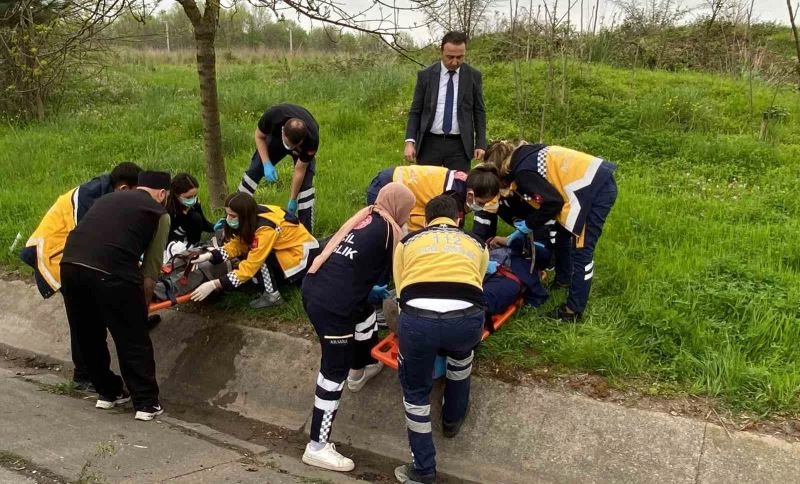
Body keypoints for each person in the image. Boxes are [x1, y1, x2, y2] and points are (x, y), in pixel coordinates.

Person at [300, 182, 415, 472]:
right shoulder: (390, 231)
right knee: (331, 371)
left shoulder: (366, 218)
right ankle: (317, 445)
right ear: (399, 209)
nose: (407, 218)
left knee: (364, 313)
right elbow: (402, 272)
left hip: (315, 287)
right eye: (408, 212)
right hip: (334, 304)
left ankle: (360, 368)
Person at [59, 170, 171, 422]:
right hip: (113, 272)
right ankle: (146, 403)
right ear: (162, 194)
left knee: (88, 333)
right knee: (132, 337)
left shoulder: (106, 199)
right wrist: (142, 306)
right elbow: (151, 270)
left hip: (70, 267)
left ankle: (107, 392)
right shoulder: (159, 213)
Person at [19, 161, 142, 390]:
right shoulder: (87, 198)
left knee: (89, 313)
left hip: (73, 254)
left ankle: (87, 372)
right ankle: (84, 375)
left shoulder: (108, 194)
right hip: (56, 255)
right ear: (124, 189)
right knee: (85, 316)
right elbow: (89, 236)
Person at [392, 195, 489, 484]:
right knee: (461, 357)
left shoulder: (407, 243)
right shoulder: (477, 243)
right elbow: (477, 284)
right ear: (459, 218)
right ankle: (452, 420)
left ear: (425, 219)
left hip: (419, 320)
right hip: (466, 320)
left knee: (415, 392)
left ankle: (423, 469)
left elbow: (400, 293)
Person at [484, 141, 618, 321]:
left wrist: (529, 224)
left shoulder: (523, 173)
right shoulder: (524, 156)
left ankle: (573, 311)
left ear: (500, 170)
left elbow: (553, 203)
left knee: (582, 250)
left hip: (593, 191)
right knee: (563, 236)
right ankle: (563, 279)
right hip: (589, 184)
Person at [189, 192, 320, 309]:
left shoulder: (265, 229)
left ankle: (273, 296)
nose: (228, 219)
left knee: (260, 260)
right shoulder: (252, 214)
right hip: (288, 248)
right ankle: (270, 284)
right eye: (227, 214)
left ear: (243, 215)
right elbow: (237, 245)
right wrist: (209, 256)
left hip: (300, 256)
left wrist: (215, 284)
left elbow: (251, 266)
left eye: (232, 215)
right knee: (251, 255)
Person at [404, 31, 487, 173]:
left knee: (457, 190)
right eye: (450, 57)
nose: (455, 62)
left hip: (460, 145)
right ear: (441, 51)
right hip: (429, 143)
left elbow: (479, 111)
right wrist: (410, 142)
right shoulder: (426, 75)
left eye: (460, 57)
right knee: (426, 190)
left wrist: (480, 143)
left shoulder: (473, 76)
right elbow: (416, 110)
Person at [237, 103, 319, 233]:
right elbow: (259, 136)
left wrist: (292, 199)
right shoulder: (273, 116)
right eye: (288, 144)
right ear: (282, 131)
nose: (290, 149)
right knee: (254, 171)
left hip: (300, 145)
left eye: (294, 146)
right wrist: (266, 163)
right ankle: (235, 216)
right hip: (276, 140)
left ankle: (306, 233)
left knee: (305, 189)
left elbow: (300, 169)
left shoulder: (312, 139)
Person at [365, 164, 500, 235]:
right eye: (481, 203)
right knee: (387, 236)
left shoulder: (466, 183)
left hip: (393, 181)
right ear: (470, 195)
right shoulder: (452, 197)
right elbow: (434, 228)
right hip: (385, 188)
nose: (482, 207)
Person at [165, 173, 214, 248]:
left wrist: (217, 227)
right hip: (171, 241)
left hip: (190, 240)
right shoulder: (167, 206)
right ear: (176, 194)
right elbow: (167, 232)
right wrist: (183, 215)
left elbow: (203, 223)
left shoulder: (195, 203)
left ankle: (193, 246)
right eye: (188, 197)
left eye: (194, 196)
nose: (192, 199)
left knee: (196, 218)